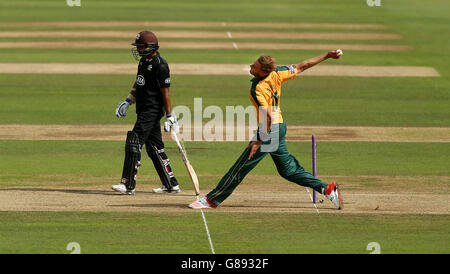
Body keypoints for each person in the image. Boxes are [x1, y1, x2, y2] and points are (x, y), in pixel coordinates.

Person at [189, 50, 344, 209]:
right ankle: (327, 189)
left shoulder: (258, 88)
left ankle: (211, 199)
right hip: (280, 125)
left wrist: (258, 141)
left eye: (254, 67)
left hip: (269, 129)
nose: (251, 66)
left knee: (241, 166)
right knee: (288, 170)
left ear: (263, 72)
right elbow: (303, 66)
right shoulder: (278, 73)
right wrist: (326, 56)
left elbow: (268, 118)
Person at [112, 30, 181, 195]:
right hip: (142, 109)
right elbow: (139, 82)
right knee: (155, 147)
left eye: (141, 46)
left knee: (133, 142)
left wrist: (170, 115)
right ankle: (171, 184)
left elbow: (166, 93)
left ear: (150, 47)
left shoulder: (160, 65)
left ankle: (128, 184)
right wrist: (128, 100)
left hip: (152, 111)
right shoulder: (143, 62)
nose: (138, 50)